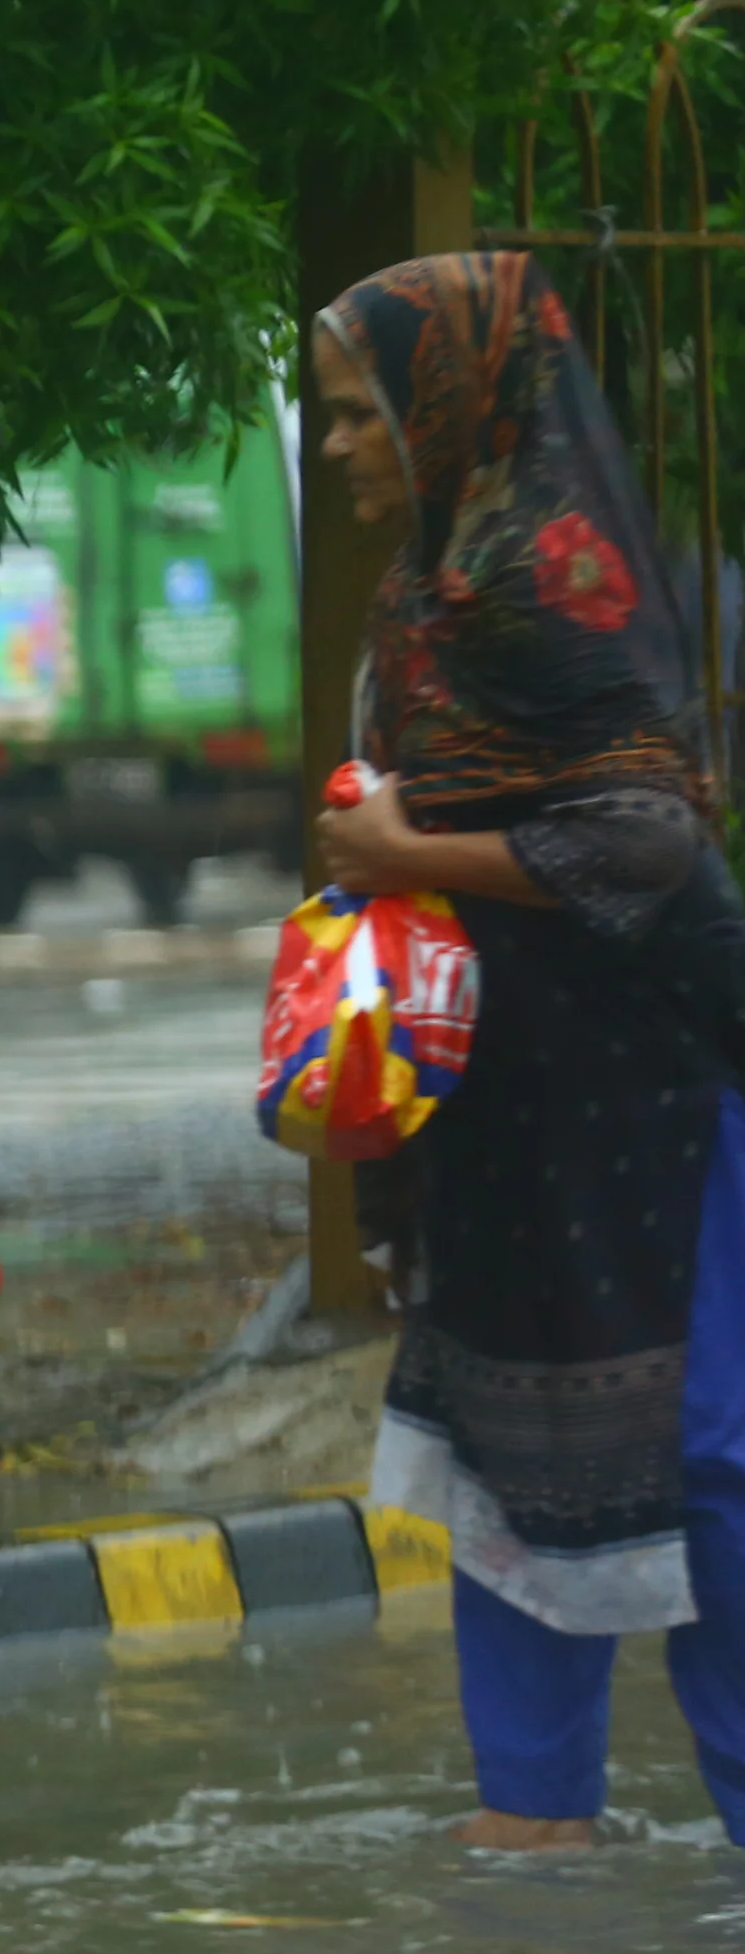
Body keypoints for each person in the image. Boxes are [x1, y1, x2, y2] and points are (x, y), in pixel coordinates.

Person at [310, 250, 745, 1853]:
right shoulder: (426, 587)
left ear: (449, 406)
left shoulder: (544, 591)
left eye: (363, 414)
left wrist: (405, 856)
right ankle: (534, 1836)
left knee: (703, 1469)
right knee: (506, 1454)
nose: (341, 445)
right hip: (508, 1101)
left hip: (655, 1104)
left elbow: (649, 841)